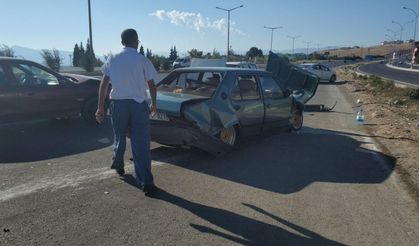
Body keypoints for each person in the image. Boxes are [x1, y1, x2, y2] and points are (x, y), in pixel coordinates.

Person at [95, 28, 158, 194]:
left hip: (118, 104)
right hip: (138, 104)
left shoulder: (112, 58)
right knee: (140, 141)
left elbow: (104, 83)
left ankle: (118, 165)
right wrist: (154, 104)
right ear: (137, 41)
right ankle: (146, 182)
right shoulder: (142, 60)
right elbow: (151, 84)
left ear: (122, 42)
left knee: (119, 135)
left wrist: (100, 106)